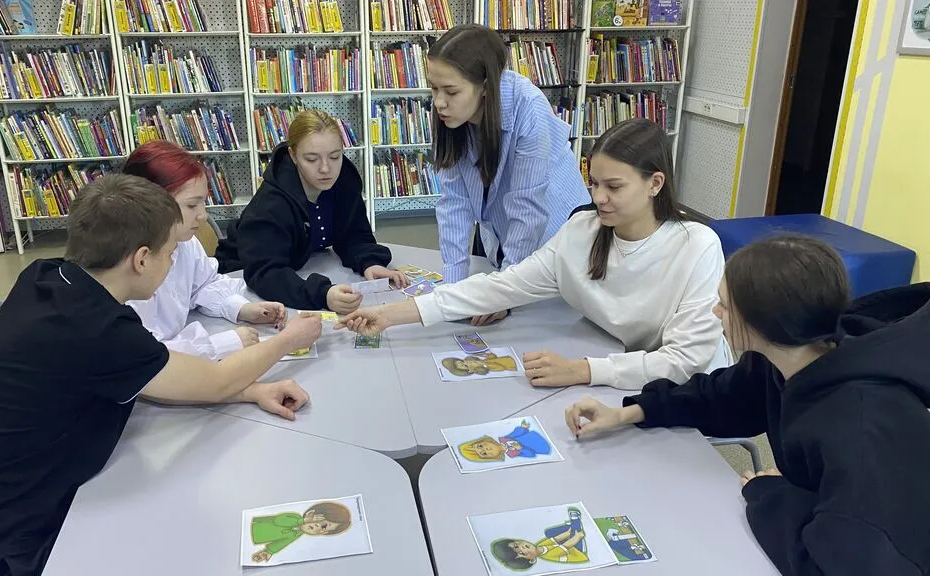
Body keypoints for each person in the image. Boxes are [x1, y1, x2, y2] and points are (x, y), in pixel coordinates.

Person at [0, 175, 322, 576]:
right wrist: (290, 339)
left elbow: (150, 377)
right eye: (169, 254)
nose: (173, 262)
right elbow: (213, 382)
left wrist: (248, 391)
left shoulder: (49, 277)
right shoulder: (98, 330)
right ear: (141, 260)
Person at [564, 235, 930, 576]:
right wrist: (628, 413)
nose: (715, 312)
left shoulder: (862, 426)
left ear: (764, 323)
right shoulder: (788, 357)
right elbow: (721, 397)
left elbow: (845, 563)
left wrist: (770, 494)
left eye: (724, 305)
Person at [339, 118, 730, 391]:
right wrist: (389, 315)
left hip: (688, 390)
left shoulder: (697, 246)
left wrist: (583, 370)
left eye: (614, 187)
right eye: (594, 183)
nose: (598, 197)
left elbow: (683, 361)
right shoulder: (582, 231)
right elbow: (500, 288)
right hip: (613, 375)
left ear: (655, 184)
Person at [428, 24, 591, 325]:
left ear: (485, 85)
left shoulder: (528, 107)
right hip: (505, 235)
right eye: (434, 88)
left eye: (451, 91)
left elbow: (527, 210)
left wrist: (504, 294)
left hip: (555, 239)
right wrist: (452, 290)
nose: (439, 102)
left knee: (548, 326)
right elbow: (454, 203)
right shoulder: (449, 115)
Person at [214, 109, 409, 313]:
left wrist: (370, 263)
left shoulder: (345, 179)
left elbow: (353, 234)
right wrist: (321, 294)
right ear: (293, 155)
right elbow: (265, 272)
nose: (325, 168)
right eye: (311, 159)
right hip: (240, 278)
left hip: (302, 268)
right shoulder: (271, 202)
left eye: (335, 156)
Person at [122, 140, 287, 360]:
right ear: (151, 205)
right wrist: (224, 343)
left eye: (203, 203)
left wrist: (243, 309)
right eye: (192, 205)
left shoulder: (184, 242)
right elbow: (144, 356)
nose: (203, 215)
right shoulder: (127, 268)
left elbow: (203, 284)